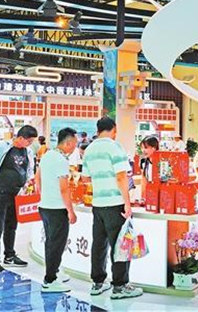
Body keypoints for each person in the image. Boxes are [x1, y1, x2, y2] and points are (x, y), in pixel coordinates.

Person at [81, 117, 141, 300]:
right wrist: (127, 203)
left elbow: (85, 178)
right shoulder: (115, 147)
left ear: (98, 130)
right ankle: (120, 286)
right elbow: (122, 177)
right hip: (116, 204)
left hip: (98, 204)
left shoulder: (89, 149)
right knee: (120, 245)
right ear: (114, 130)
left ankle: (98, 283)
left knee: (99, 244)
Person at [0, 125, 37, 273]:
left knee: (12, 225)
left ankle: (9, 255)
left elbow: (29, 169)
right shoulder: (2, 147)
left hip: (17, 193)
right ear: (21, 138)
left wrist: (29, 181)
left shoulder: (28, 151)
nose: (30, 144)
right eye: (29, 141)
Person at [36, 127, 79, 293]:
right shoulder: (61, 160)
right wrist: (70, 211)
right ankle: (50, 280)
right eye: (74, 143)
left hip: (45, 206)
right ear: (68, 143)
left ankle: (54, 271)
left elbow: (37, 178)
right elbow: (64, 189)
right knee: (56, 245)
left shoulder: (47, 155)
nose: (75, 146)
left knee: (51, 243)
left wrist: (44, 195)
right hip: (57, 209)